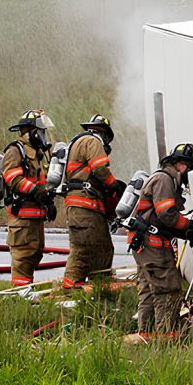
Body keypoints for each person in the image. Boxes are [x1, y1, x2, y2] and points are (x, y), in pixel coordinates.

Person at [128, 143, 193, 334]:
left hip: (146, 244)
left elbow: (161, 220)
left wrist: (185, 233)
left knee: (149, 293)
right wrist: (189, 225)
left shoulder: (166, 179)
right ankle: (167, 338)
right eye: (191, 169)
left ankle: (147, 336)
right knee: (168, 289)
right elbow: (166, 214)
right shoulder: (164, 180)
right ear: (182, 164)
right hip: (153, 247)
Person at [61, 114, 124, 289]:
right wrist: (113, 186)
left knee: (82, 249)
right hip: (86, 205)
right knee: (99, 249)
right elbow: (99, 168)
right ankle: (99, 288)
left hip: (77, 206)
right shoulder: (93, 141)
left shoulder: (78, 142)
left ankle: (73, 288)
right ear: (104, 133)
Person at [2, 110, 55, 287]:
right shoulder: (16, 151)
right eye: (41, 132)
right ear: (31, 132)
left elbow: (42, 182)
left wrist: (48, 202)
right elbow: (13, 179)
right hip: (22, 219)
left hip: (35, 218)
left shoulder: (36, 154)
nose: (43, 136)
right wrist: (36, 192)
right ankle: (19, 296)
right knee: (23, 258)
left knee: (35, 254)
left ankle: (26, 292)